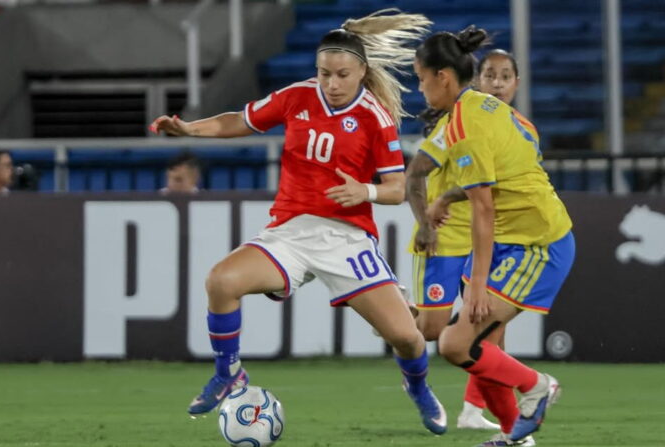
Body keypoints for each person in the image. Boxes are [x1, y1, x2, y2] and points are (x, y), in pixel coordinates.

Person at [150, 9, 448, 435]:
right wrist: (189, 129)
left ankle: (418, 387)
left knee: (406, 337)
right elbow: (242, 120)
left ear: (362, 71)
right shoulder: (297, 96)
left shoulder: (375, 117)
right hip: (289, 233)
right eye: (324, 73)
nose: (332, 83)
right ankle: (229, 373)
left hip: (346, 238)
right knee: (221, 281)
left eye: (342, 74)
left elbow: (397, 189)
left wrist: (363, 192)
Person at [413, 27, 575, 446]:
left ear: (442, 77)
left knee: (455, 343)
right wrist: (448, 197)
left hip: (536, 245)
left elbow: (483, 208)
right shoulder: (486, 108)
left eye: (420, 78)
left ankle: (538, 387)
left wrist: (479, 284)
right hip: (510, 239)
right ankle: (515, 437)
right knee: (475, 346)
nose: (420, 88)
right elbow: (504, 170)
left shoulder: (465, 125)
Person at [406, 49, 522, 432]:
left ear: (517, 84)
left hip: (483, 236)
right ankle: (397, 315)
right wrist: (426, 220)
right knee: (432, 332)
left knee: (488, 325)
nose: (498, 83)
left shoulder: (510, 126)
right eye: (490, 75)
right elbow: (419, 174)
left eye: (506, 76)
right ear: (476, 81)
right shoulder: (454, 120)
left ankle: (474, 411)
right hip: (445, 236)